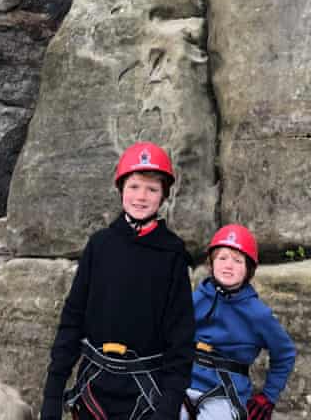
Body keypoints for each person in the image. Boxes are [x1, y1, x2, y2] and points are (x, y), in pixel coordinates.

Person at [40, 141, 195, 420]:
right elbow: (73, 318)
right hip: (95, 387)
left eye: (152, 189)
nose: (141, 196)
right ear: (121, 188)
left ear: (163, 196)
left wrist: (169, 404)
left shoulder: (172, 255)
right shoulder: (100, 246)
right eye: (134, 186)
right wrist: (53, 392)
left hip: (147, 393)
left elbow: (181, 338)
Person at [182, 225, 296, 420]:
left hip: (224, 391)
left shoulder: (258, 314)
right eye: (222, 258)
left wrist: (268, 396)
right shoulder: (195, 298)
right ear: (211, 262)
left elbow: (285, 353)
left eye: (237, 260)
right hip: (183, 381)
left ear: (248, 269)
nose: (228, 265)